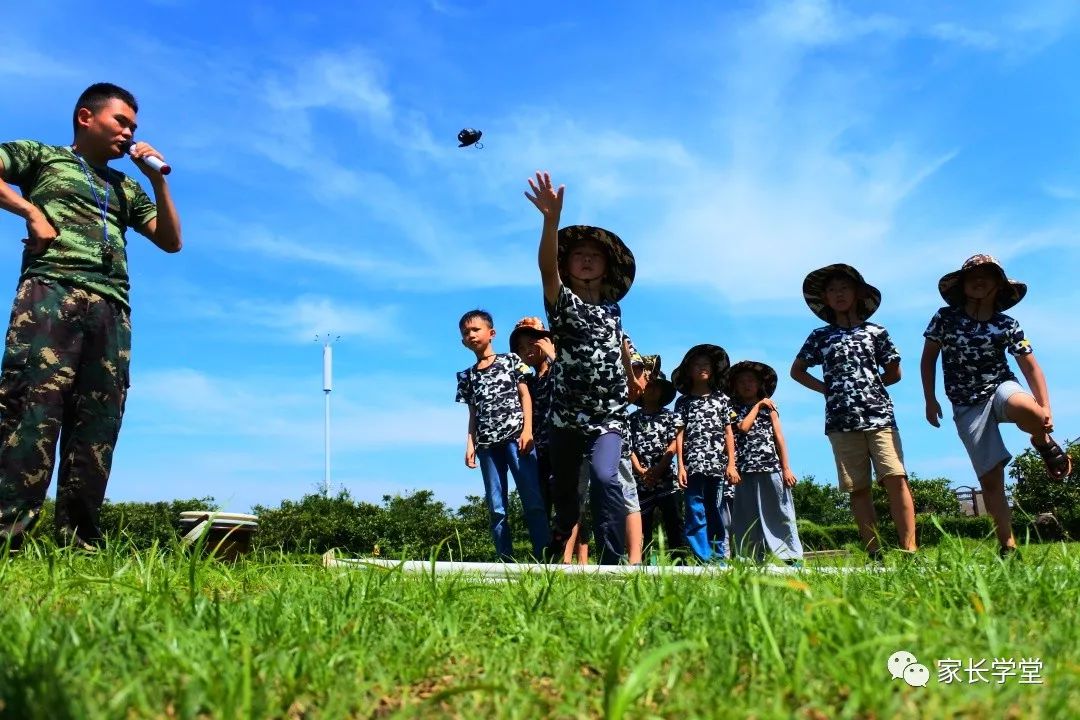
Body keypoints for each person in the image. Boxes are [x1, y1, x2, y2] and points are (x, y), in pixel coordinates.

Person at [0, 82, 182, 550]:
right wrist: (30, 211)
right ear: (86, 117)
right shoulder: (43, 156)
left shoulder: (126, 186)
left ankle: (78, 542)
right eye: (121, 122)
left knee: (98, 424)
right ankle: (6, 536)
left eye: (134, 127)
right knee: (31, 411)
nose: (128, 133)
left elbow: (170, 239)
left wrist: (158, 179)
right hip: (52, 291)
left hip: (111, 308)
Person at [921, 254, 1072, 557]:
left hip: (1001, 387)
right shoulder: (945, 318)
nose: (979, 281)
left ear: (998, 286)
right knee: (991, 479)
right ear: (962, 285)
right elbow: (929, 358)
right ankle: (1008, 545)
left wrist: (1046, 408)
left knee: (1030, 411)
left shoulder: (1007, 324)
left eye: (987, 276)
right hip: (966, 403)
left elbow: (1031, 367)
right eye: (973, 276)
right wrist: (930, 398)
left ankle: (1041, 441)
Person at [525, 171, 639, 565]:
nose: (587, 259)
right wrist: (550, 221)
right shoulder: (563, 303)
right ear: (567, 265)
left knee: (608, 479)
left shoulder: (614, 310)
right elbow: (545, 270)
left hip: (608, 415)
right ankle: (561, 539)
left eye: (595, 255)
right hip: (565, 416)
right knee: (567, 497)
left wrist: (632, 374)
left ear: (607, 267)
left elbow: (617, 350)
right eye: (578, 255)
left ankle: (614, 561)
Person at [791, 264, 916, 559]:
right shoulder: (820, 336)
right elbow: (797, 371)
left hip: (880, 416)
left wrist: (871, 385)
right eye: (832, 290)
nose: (839, 294)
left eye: (844, 288)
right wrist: (828, 389)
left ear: (858, 293)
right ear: (825, 299)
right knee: (858, 488)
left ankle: (910, 549)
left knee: (895, 478)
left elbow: (895, 371)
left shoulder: (876, 331)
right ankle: (875, 553)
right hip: (840, 420)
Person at [456, 310, 550, 561]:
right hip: (487, 445)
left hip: (516, 439)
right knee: (497, 507)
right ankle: (505, 560)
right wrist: (470, 444)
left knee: (533, 501)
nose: (471, 334)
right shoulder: (467, 376)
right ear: (462, 341)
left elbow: (525, 396)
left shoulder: (511, 360)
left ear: (491, 333)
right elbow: (473, 413)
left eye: (476, 329)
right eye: (466, 333)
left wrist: (527, 430)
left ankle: (544, 558)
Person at [726, 361, 803, 564]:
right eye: (741, 381)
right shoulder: (732, 408)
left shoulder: (771, 407)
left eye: (751, 380)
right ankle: (749, 558)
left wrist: (786, 468)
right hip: (745, 468)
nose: (746, 385)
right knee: (746, 515)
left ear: (760, 384)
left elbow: (779, 438)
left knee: (779, 510)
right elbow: (742, 428)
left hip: (770, 466)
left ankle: (789, 555)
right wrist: (758, 405)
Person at [673, 344, 737, 564]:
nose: (703, 368)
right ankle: (702, 557)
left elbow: (729, 432)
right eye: (697, 364)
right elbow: (679, 435)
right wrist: (680, 466)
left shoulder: (722, 399)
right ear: (689, 370)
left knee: (715, 510)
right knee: (694, 510)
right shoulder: (683, 402)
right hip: (692, 466)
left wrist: (731, 464)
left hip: (717, 466)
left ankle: (719, 555)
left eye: (707, 364)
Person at [628, 359, 685, 560]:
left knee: (674, 521)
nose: (652, 390)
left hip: (667, 479)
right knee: (642, 524)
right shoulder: (631, 419)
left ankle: (679, 562)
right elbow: (628, 446)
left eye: (656, 387)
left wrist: (660, 468)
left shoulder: (671, 416)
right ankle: (642, 562)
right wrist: (639, 469)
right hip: (641, 480)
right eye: (648, 386)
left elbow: (675, 443)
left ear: (662, 392)